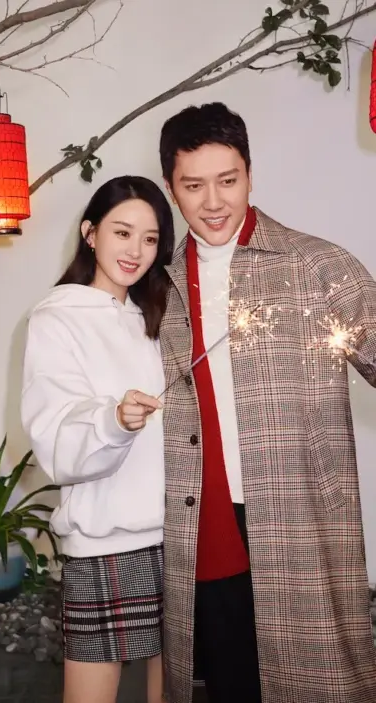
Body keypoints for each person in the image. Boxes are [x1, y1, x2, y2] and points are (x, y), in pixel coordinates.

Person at [157, 102, 376, 703]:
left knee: (319, 677)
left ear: (251, 175)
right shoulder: (159, 286)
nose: (213, 202)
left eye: (227, 180)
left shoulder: (317, 265)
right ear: (171, 188)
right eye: (193, 186)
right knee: (229, 682)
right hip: (203, 517)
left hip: (301, 511)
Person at [21, 175, 175, 703]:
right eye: (122, 232)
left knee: (173, 691)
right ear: (90, 233)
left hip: (178, 535)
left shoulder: (159, 318)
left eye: (150, 239)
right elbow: (54, 437)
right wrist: (114, 420)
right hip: (106, 541)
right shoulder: (56, 318)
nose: (135, 251)